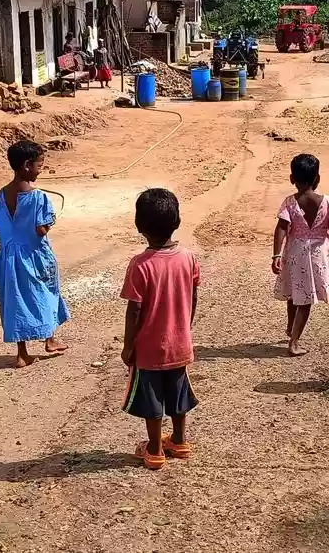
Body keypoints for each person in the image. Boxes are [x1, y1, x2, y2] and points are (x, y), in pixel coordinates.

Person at [120, 188, 200, 470]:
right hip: (180, 341)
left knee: (151, 398)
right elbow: (192, 296)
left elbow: (135, 310)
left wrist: (128, 346)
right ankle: (179, 440)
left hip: (150, 347)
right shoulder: (188, 258)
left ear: (138, 226)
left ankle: (154, 450)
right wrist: (185, 327)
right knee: (178, 393)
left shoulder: (140, 265)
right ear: (177, 222)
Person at [0, 140, 70, 368]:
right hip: (34, 256)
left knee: (15, 301)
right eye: (40, 165)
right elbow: (41, 229)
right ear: (27, 165)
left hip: (7, 258)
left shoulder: (1, 195)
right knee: (45, 294)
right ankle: (50, 339)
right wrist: (50, 220)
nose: (41, 169)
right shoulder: (38, 198)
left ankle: (22, 353)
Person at [272, 154, 329, 357]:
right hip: (318, 254)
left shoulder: (289, 202)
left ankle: (290, 329)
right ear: (317, 179)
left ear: (291, 178)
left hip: (295, 252)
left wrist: (276, 255)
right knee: (305, 301)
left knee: (295, 293)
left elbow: (281, 228)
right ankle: (294, 342)